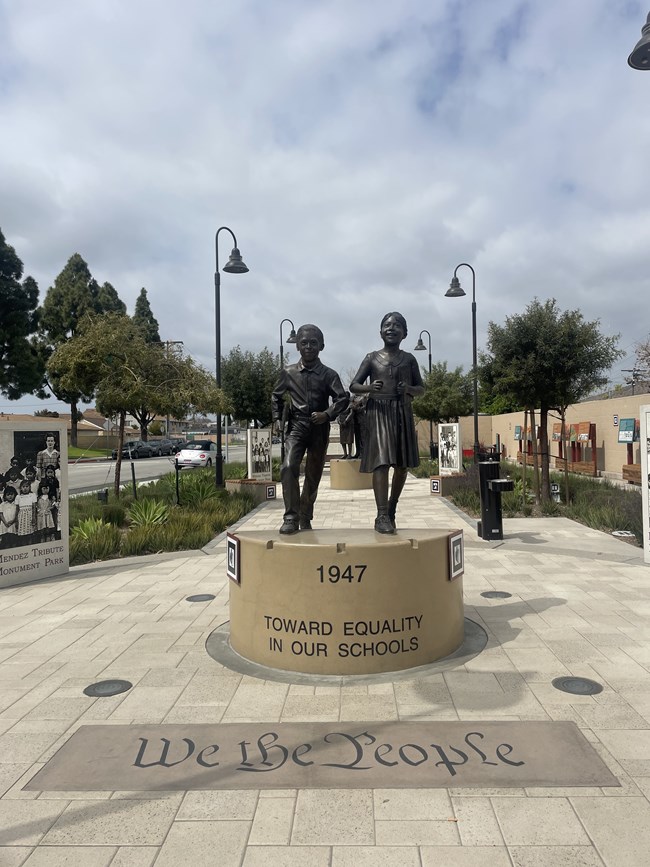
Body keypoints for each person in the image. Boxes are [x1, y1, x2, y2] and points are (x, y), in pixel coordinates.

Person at [350, 312, 424, 533]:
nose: (391, 328)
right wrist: (369, 388)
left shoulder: (409, 359)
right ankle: (381, 515)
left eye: (397, 325)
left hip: (402, 411)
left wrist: (409, 389)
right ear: (380, 331)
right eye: (387, 325)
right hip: (379, 412)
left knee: (401, 466)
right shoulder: (372, 357)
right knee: (381, 463)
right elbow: (354, 385)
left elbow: (421, 389)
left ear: (405, 333)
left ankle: (392, 508)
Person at [272, 323, 348, 534]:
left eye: (313, 343)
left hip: (319, 428)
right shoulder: (288, 372)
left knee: (313, 476)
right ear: (297, 345)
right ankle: (290, 517)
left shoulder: (328, 374)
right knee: (288, 467)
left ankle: (305, 514)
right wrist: (277, 418)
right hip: (297, 426)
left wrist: (327, 414)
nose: (308, 347)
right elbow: (276, 396)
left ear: (321, 346)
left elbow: (343, 398)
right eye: (303, 343)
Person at [16, 478, 37, 543]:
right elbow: (17, 509)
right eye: (23, 487)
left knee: (30, 534)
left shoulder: (32, 495)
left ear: (30, 487)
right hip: (21, 517)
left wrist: (34, 517)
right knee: (22, 535)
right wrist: (16, 520)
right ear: (21, 488)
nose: (25, 488)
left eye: (27, 486)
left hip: (30, 516)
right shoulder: (18, 497)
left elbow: (34, 507)